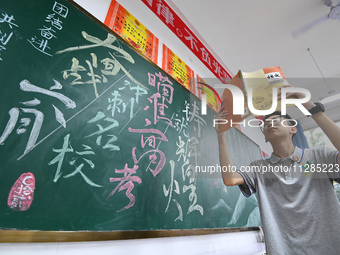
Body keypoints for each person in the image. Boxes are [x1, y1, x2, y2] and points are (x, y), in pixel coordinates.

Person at [216, 85, 340, 255]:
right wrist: (221, 135)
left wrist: (312, 108)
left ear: (293, 128)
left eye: (276, 120)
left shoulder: (319, 156)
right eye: (266, 123)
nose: (269, 123)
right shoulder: (259, 168)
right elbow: (229, 179)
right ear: (265, 137)